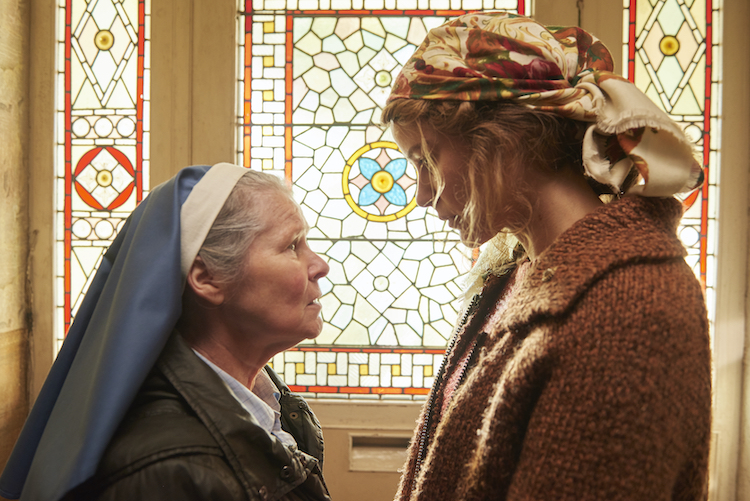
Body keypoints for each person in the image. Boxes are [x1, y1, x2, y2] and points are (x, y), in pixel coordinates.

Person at [382, 12, 711, 501]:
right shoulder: (519, 271)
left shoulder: (627, 307)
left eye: (425, 159)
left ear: (502, 139)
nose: (423, 195)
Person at [0, 163, 332, 501]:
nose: (320, 265)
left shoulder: (271, 404)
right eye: (292, 245)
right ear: (205, 278)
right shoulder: (169, 470)